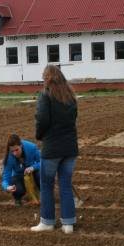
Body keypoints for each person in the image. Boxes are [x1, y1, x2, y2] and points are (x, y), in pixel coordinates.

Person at [31, 65, 78, 234]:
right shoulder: (70, 96)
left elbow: (42, 119)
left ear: (47, 77)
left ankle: (47, 222)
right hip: (70, 148)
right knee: (65, 184)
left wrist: (39, 135)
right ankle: (68, 224)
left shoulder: (46, 95)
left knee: (47, 184)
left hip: (52, 147)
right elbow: (73, 119)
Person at [1, 134, 41, 206]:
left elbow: (42, 162)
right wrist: (7, 187)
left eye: (16, 150)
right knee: (17, 189)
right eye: (12, 151)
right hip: (19, 176)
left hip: (33, 173)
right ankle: (18, 198)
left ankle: (44, 194)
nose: (15, 153)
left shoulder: (32, 147)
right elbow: (5, 177)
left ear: (21, 146)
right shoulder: (8, 158)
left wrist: (33, 167)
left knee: (41, 174)